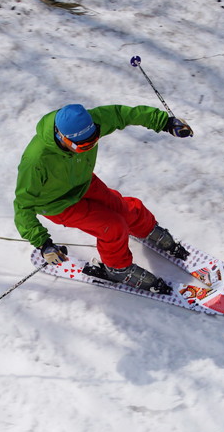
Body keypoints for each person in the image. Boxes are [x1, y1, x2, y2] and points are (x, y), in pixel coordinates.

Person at [14, 103, 193, 295]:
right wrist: (43, 243)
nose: (88, 148)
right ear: (61, 137)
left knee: (127, 209)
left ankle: (149, 230)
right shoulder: (36, 161)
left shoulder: (92, 122)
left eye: (93, 142)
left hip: (83, 183)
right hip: (57, 204)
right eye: (82, 146)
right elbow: (22, 206)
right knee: (112, 227)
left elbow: (124, 114)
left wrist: (164, 122)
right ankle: (117, 269)